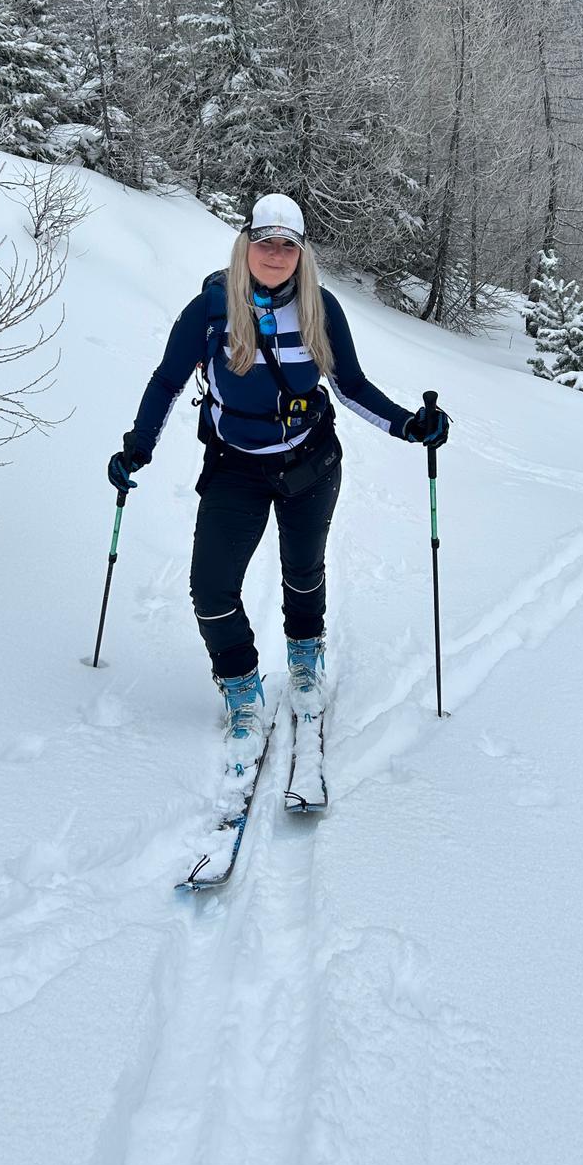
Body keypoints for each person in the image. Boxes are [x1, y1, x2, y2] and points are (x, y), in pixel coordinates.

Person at [108, 192, 449, 766]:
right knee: (211, 587)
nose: (274, 254)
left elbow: (352, 387)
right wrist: (137, 449)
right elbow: (167, 381)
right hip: (234, 465)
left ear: (300, 253)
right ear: (246, 244)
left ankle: (304, 654)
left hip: (308, 462)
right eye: (264, 242)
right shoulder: (212, 309)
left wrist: (409, 426)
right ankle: (241, 685)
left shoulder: (321, 308)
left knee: (303, 569)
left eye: (286, 245)